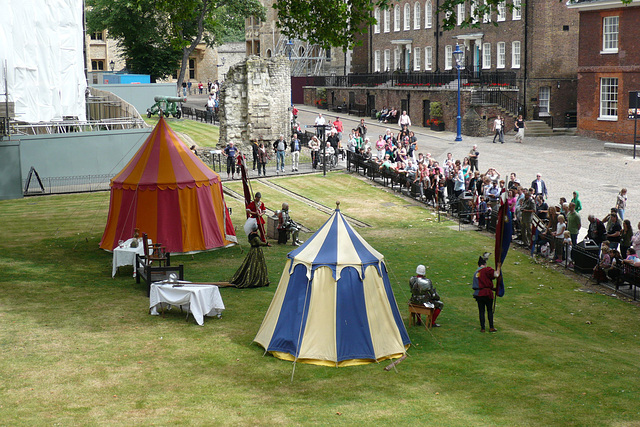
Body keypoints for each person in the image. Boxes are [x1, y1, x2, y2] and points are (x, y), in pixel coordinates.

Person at [230, 223, 270, 288]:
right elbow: (259, 243)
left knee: (250, 263)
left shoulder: (250, 235)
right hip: (257, 251)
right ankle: (256, 279)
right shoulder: (255, 236)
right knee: (257, 265)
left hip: (252, 250)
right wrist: (266, 244)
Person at [472, 254, 500, 333]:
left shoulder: (476, 273)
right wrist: (499, 267)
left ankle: (482, 328)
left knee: (481, 311)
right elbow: (496, 275)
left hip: (478, 294)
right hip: (487, 294)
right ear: (484, 264)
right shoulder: (486, 270)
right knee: (489, 310)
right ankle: (491, 327)